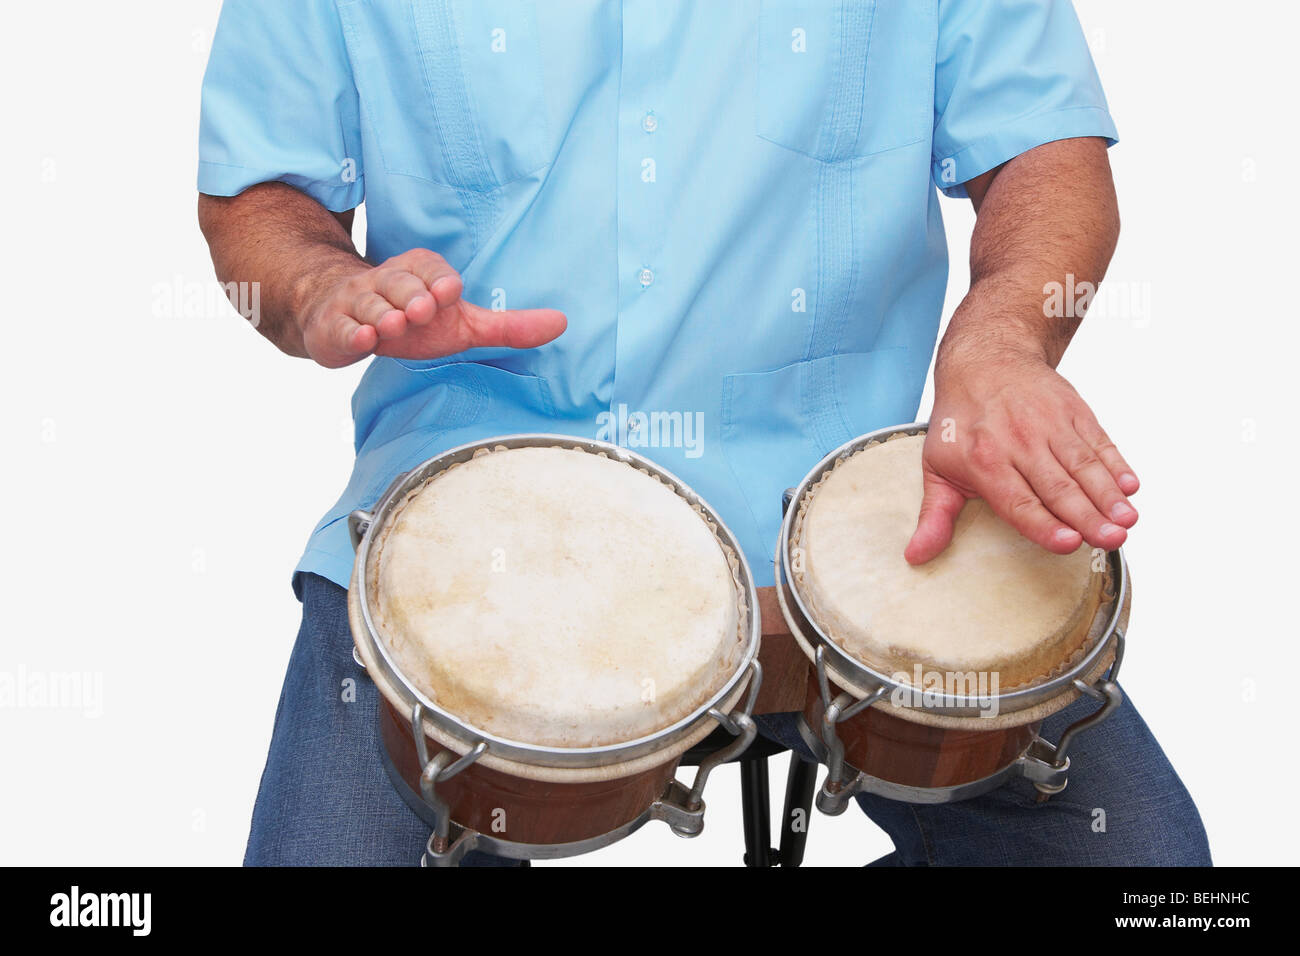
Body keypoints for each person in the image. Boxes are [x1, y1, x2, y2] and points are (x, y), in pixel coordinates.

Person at [197, 0, 1209, 866]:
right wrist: (324, 286)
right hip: (463, 511)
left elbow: (1046, 151)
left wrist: (999, 347)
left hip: (848, 521)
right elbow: (259, 192)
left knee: (1154, 870)